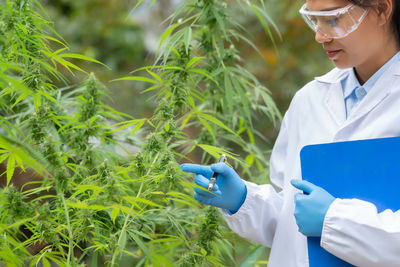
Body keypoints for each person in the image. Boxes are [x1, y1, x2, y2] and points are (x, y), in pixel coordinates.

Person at [180, 0, 400, 266]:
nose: (320, 36)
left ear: (382, 10)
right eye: (315, 20)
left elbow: (325, 222)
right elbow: (292, 223)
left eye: (332, 19)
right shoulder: (309, 99)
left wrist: (333, 219)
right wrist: (243, 199)